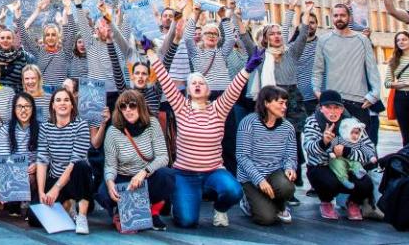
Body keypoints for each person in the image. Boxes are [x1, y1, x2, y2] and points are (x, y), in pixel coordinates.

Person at [146, 41, 261, 228]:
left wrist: (247, 69)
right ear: (188, 90)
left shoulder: (219, 108)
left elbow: (233, 90)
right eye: (193, 83)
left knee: (233, 191)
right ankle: (184, 199)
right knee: (187, 221)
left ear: (208, 90)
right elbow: (165, 80)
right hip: (185, 173)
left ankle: (220, 209)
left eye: (201, 83)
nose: (197, 85)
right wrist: (150, 52)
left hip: (213, 171)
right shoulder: (181, 106)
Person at [99, 89, 172, 233]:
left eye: (132, 105)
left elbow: (163, 157)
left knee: (167, 175)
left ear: (140, 106)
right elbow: (110, 166)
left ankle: (152, 210)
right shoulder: (113, 131)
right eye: (123, 106)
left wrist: (144, 173)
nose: (128, 110)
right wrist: (110, 183)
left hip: (146, 176)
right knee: (103, 192)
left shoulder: (152, 124)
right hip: (123, 178)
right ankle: (120, 211)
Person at [302, 89, 376, 220]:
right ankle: (326, 201)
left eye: (336, 107)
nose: (333, 111)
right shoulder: (312, 121)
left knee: (366, 183)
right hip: (322, 166)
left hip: (349, 166)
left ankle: (353, 202)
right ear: (321, 108)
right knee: (327, 181)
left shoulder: (352, 122)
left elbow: (369, 147)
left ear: (342, 109)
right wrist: (324, 142)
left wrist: (346, 151)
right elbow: (309, 149)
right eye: (328, 107)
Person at [312, 2, 380, 131]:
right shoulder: (323, 41)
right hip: (333, 103)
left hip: (359, 102)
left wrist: (374, 95)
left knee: (360, 145)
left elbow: (372, 69)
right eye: (335, 15)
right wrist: (317, 91)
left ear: (349, 18)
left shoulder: (362, 40)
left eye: (342, 15)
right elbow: (317, 70)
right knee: (335, 146)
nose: (339, 18)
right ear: (332, 18)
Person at [35, 87, 94, 235]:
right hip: (55, 177)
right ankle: (67, 204)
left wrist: (56, 189)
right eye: (58, 100)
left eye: (66, 100)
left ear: (72, 105)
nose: (62, 103)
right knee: (34, 219)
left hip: (75, 180)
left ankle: (81, 216)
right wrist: (42, 192)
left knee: (81, 166)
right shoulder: (45, 127)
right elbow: (42, 161)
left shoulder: (81, 125)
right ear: (53, 106)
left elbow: (74, 161)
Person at [235, 85, 297, 225]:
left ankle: (280, 206)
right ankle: (247, 202)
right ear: (266, 103)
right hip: (251, 177)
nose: (284, 107)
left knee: (287, 187)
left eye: (286, 103)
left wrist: (289, 168)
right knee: (266, 219)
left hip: (274, 172)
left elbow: (290, 155)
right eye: (280, 103)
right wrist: (260, 180)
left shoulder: (288, 127)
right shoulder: (248, 123)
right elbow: (242, 156)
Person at [17, 0, 76, 90]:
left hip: (61, 93)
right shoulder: (39, 52)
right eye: (47, 35)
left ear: (58, 37)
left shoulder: (65, 52)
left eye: (53, 35)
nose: (50, 37)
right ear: (44, 38)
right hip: (43, 93)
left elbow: (72, 32)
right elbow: (24, 36)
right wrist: (20, 16)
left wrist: (68, 9)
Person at [0, 92, 40, 217]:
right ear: (14, 109)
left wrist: (37, 163)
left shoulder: (41, 128)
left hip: (34, 170)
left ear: (33, 109)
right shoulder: (6, 130)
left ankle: (29, 203)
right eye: (19, 106)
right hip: (14, 171)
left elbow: (45, 153)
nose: (23, 110)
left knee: (34, 176)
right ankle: (16, 202)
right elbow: (5, 157)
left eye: (27, 106)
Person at [328, 118, 376, 191]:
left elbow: (366, 149)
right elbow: (331, 145)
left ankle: (359, 171)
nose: (354, 135)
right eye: (352, 132)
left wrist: (371, 156)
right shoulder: (339, 139)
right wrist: (331, 152)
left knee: (356, 162)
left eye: (357, 133)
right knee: (337, 165)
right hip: (339, 159)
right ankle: (344, 179)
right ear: (345, 132)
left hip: (351, 159)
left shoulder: (359, 142)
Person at [385, 30, 409, 146]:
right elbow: (387, 83)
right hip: (400, 98)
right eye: (398, 40)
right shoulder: (394, 60)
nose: (401, 42)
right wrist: (400, 84)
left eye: (404, 39)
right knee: (405, 132)